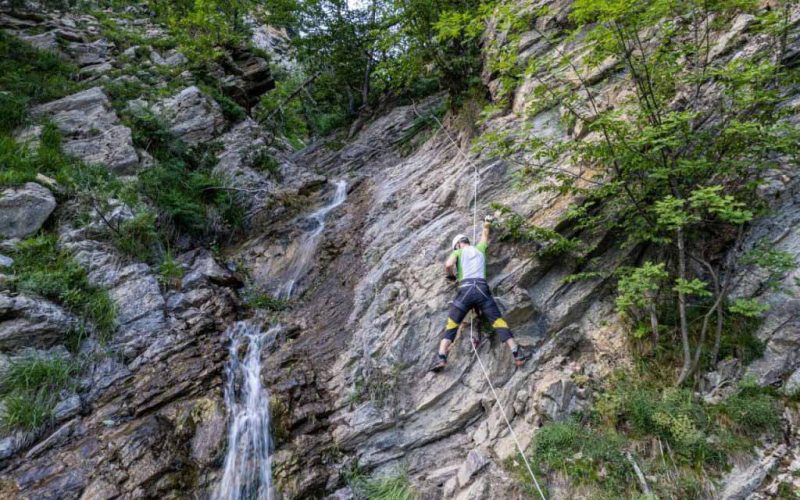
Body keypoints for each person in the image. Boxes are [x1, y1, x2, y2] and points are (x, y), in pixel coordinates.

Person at [430, 215, 531, 372]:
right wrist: (487, 223)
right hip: (482, 290)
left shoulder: (457, 253)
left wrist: (451, 276)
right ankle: (517, 354)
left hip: (466, 290)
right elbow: (485, 235)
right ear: (467, 241)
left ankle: (441, 357)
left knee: (452, 324)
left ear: (457, 245)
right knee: (498, 321)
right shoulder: (479, 249)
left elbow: (448, 264)